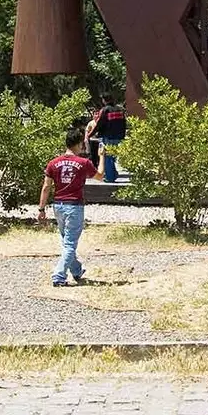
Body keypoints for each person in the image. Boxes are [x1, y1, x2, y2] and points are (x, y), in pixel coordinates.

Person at [38, 127, 97, 286]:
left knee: (66, 241)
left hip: (58, 205)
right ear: (78, 144)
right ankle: (59, 275)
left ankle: (76, 270)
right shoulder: (84, 163)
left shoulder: (53, 163)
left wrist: (41, 209)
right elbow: (100, 175)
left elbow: (46, 187)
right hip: (74, 206)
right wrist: (103, 157)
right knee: (70, 244)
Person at [99, 95, 126, 182]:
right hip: (119, 137)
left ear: (104, 100)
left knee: (107, 157)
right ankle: (113, 173)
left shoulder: (105, 110)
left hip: (108, 136)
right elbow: (124, 123)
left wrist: (90, 134)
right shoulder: (120, 110)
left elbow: (100, 123)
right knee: (113, 156)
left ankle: (110, 177)